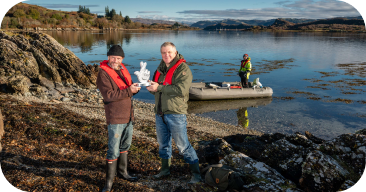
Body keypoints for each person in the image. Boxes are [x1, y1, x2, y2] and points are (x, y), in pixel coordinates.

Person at [146, 42, 202, 184]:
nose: (167, 55)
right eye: (164, 53)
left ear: (175, 52)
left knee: (183, 146)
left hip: (176, 113)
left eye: (169, 52)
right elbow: (157, 89)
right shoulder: (160, 68)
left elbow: (181, 90)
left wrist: (159, 87)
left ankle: (196, 174)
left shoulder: (183, 69)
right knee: (163, 144)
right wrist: (151, 87)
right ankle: (165, 170)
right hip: (160, 113)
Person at [96, 45, 141, 192]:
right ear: (108, 57)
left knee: (125, 147)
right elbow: (108, 95)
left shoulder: (122, 70)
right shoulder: (103, 74)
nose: (115, 60)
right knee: (113, 150)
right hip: (115, 117)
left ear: (122, 59)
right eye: (113, 57)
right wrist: (129, 90)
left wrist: (133, 89)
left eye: (119, 58)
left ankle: (123, 172)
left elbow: (126, 91)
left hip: (128, 115)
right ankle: (108, 184)